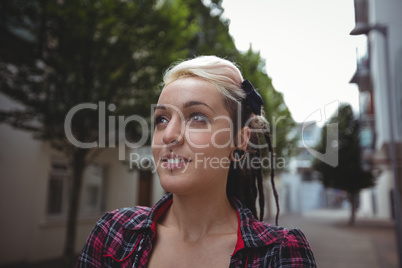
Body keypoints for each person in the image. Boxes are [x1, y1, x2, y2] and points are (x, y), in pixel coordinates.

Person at [77, 56, 316, 267]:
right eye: (161, 119)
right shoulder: (114, 234)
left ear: (240, 140)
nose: (169, 135)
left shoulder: (280, 253)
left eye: (197, 117)